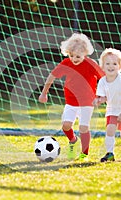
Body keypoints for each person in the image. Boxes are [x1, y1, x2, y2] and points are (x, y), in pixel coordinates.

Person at [39, 33, 105, 161]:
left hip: (87, 102)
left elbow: (104, 79)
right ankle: (73, 140)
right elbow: (52, 76)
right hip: (71, 101)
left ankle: (84, 154)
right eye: (71, 55)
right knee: (66, 125)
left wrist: (102, 96)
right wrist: (44, 93)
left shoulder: (91, 64)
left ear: (85, 53)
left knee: (83, 128)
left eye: (78, 56)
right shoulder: (67, 63)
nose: (74, 59)